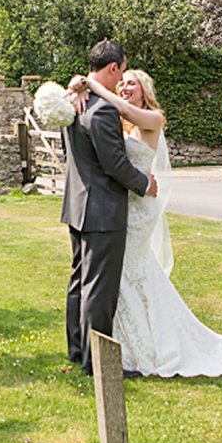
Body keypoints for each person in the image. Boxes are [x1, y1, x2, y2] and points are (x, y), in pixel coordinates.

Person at [70, 68, 222, 377]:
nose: (125, 87)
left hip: (139, 207)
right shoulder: (123, 122)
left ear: (145, 90)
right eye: (122, 83)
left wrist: (91, 83)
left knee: (130, 271)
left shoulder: (153, 118)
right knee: (118, 277)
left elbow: (120, 109)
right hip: (123, 203)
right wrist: (77, 87)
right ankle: (119, 342)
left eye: (132, 83)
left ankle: (144, 345)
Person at [61, 40, 158, 377]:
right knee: (98, 291)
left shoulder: (73, 103)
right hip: (102, 211)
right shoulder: (100, 109)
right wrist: (145, 184)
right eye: (121, 73)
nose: (121, 82)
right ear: (113, 67)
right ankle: (97, 364)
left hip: (77, 206)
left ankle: (77, 350)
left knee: (79, 283)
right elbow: (115, 164)